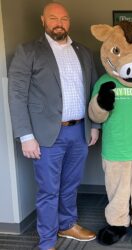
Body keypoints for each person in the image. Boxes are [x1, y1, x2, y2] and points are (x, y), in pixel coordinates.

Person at [8, 3, 99, 250]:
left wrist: (94, 126)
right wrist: (25, 135)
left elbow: (91, 90)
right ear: (43, 20)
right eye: (53, 18)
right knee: (49, 190)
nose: (59, 22)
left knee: (70, 184)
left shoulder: (83, 51)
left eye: (64, 18)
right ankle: (47, 242)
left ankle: (67, 224)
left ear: (69, 22)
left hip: (79, 131)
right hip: (46, 135)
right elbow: (17, 94)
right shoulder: (28, 51)